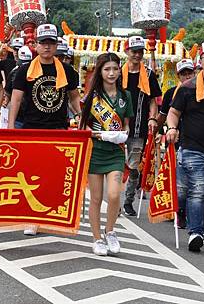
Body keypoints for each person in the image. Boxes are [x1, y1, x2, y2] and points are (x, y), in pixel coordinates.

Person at [7, 23, 81, 235]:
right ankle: (31, 218)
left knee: (54, 175)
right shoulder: (24, 71)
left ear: (57, 45)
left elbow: (74, 97)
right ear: (35, 45)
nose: (47, 47)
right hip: (32, 129)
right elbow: (16, 99)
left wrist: (80, 117)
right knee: (31, 174)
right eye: (43, 42)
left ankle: (50, 213)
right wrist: (11, 127)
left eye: (51, 42)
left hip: (58, 129)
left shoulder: (67, 71)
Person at [79, 53, 133, 256]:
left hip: (115, 152)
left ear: (120, 71)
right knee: (96, 198)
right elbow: (83, 128)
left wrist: (122, 135)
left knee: (113, 194)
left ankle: (110, 231)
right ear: (100, 72)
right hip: (96, 151)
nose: (111, 73)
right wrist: (101, 134)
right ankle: (96, 238)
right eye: (107, 69)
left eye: (115, 69)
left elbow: (127, 125)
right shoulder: (91, 98)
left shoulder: (125, 96)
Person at [166, 39, 204, 252]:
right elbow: (173, 113)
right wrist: (171, 128)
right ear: (200, 61)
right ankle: (194, 232)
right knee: (198, 190)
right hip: (193, 147)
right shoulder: (186, 88)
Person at [121, 36, 162, 217]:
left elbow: (153, 100)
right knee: (115, 166)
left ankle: (128, 201)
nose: (137, 55)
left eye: (140, 51)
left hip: (139, 127)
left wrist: (152, 118)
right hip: (116, 127)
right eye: (134, 51)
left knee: (134, 165)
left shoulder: (149, 74)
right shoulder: (115, 72)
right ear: (126, 52)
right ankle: (114, 200)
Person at [158, 58, 195, 229]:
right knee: (179, 181)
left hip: (196, 141)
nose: (187, 76)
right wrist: (160, 132)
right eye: (184, 73)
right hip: (176, 141)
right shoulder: (170, 93)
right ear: (178, 75)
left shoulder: (201, 91)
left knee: (196, 182)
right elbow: (164, 115)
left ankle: (192, 215)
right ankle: (177, 212)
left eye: (190, 72)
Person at [3, 46, 33, 129]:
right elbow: (8, 92)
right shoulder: (14, 72)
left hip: (33, 118)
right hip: (18, 117)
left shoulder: (37, 72)